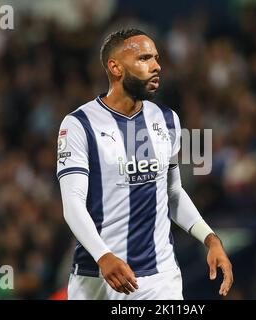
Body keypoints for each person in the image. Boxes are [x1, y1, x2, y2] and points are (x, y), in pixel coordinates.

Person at [57, 28, 233, 300]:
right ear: (115, 68)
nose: (156, 66)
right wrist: (104, 256)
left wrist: (210, 238)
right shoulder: (79, 124)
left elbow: (173, 192)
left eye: (156, 58)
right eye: (144, 58)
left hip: (159, 279)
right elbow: (73, 204)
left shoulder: (167, 119)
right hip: (97, 278)